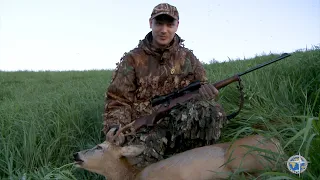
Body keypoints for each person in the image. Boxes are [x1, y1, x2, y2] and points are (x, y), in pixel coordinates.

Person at [102, 3, 227, 168]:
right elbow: (118, 100)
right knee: (135, 166)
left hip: (181, 123)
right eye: (159, 23)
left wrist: (208, 93)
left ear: (177, 26)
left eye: (170, 24)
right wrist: (116, 127)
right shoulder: (132, 59)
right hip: (145, 127)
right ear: (150, 23)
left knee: (211, 111)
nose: (164, 30)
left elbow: (200, 87)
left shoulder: (188, 58)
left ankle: (196, 161)